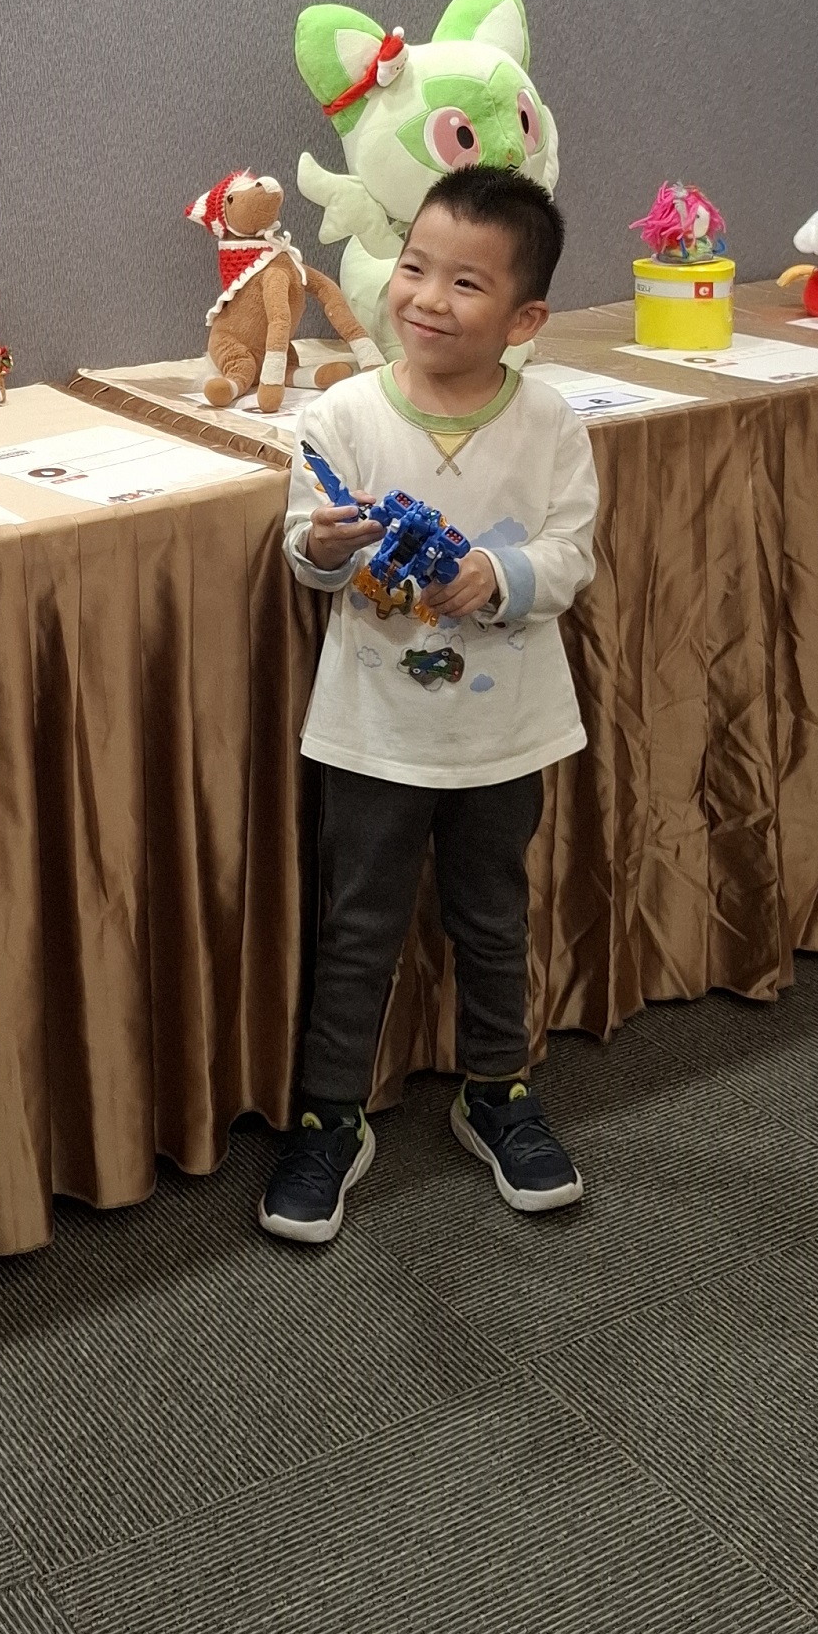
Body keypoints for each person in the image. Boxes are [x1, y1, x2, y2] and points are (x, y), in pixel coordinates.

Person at [260, 164, 598, 1246]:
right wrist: (322, 545)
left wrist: (499, 576)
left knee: (493, 916)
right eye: (415, 267)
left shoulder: (551, 423)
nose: (427, 298)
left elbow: (571, 555)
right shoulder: (343, 414)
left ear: (524, 318)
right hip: (371, 731)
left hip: (506, 732)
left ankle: (497, 1090)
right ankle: (330, 1114)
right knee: (357, 924)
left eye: (466, 282)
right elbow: (305, 552)